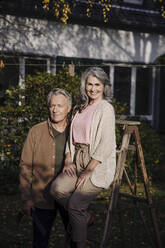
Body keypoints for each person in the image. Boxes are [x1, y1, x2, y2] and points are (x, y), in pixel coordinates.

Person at [50, 67, 116, 248]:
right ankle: (85, 217)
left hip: (95, 162)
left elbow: (106, 143)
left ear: (104, 86)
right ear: (84, 85)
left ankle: (80, 244)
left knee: (75, 205)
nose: (93, 89)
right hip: (76, 156)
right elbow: (72, 136)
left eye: (97, 85)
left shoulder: (106, 109)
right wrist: (68, 158)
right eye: (89, 84)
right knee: (56, 189)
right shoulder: (81, 107)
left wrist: (89, 170)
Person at [19, 88, 73, 248]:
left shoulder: (76, 132)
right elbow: (25, 166)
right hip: (42, 198)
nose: (55, 110)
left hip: (69, 198)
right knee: (40, 243)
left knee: (76, 241)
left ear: (68, 108)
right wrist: (26, 198)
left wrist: (84, 205)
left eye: (59, 105)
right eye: (52, 106)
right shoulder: (36, 131)